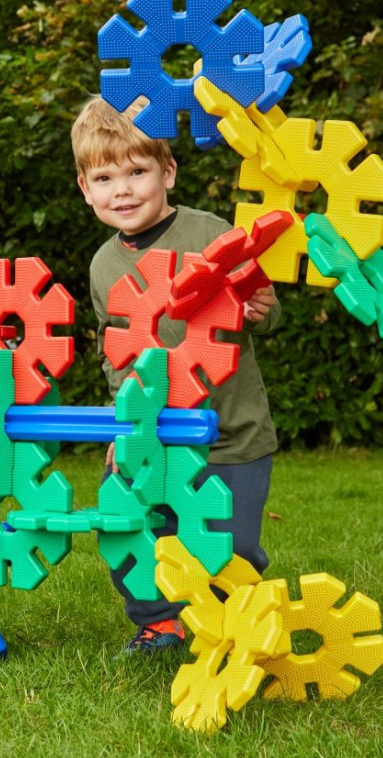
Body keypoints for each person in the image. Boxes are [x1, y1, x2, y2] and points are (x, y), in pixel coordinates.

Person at [71, 94, 281, 654]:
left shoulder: (208, 234)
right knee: (134, 529)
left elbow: (260, 305)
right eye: (105, 177)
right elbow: (114, 354)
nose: (123, 190)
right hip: (152, 438)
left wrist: (262, 309)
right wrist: (124, 428)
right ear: (85, 189)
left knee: (228, 542)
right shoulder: (102, 266)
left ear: (167, 171)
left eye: (137, 172)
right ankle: (160, 620)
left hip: (231, 433)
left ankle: (234, 624)